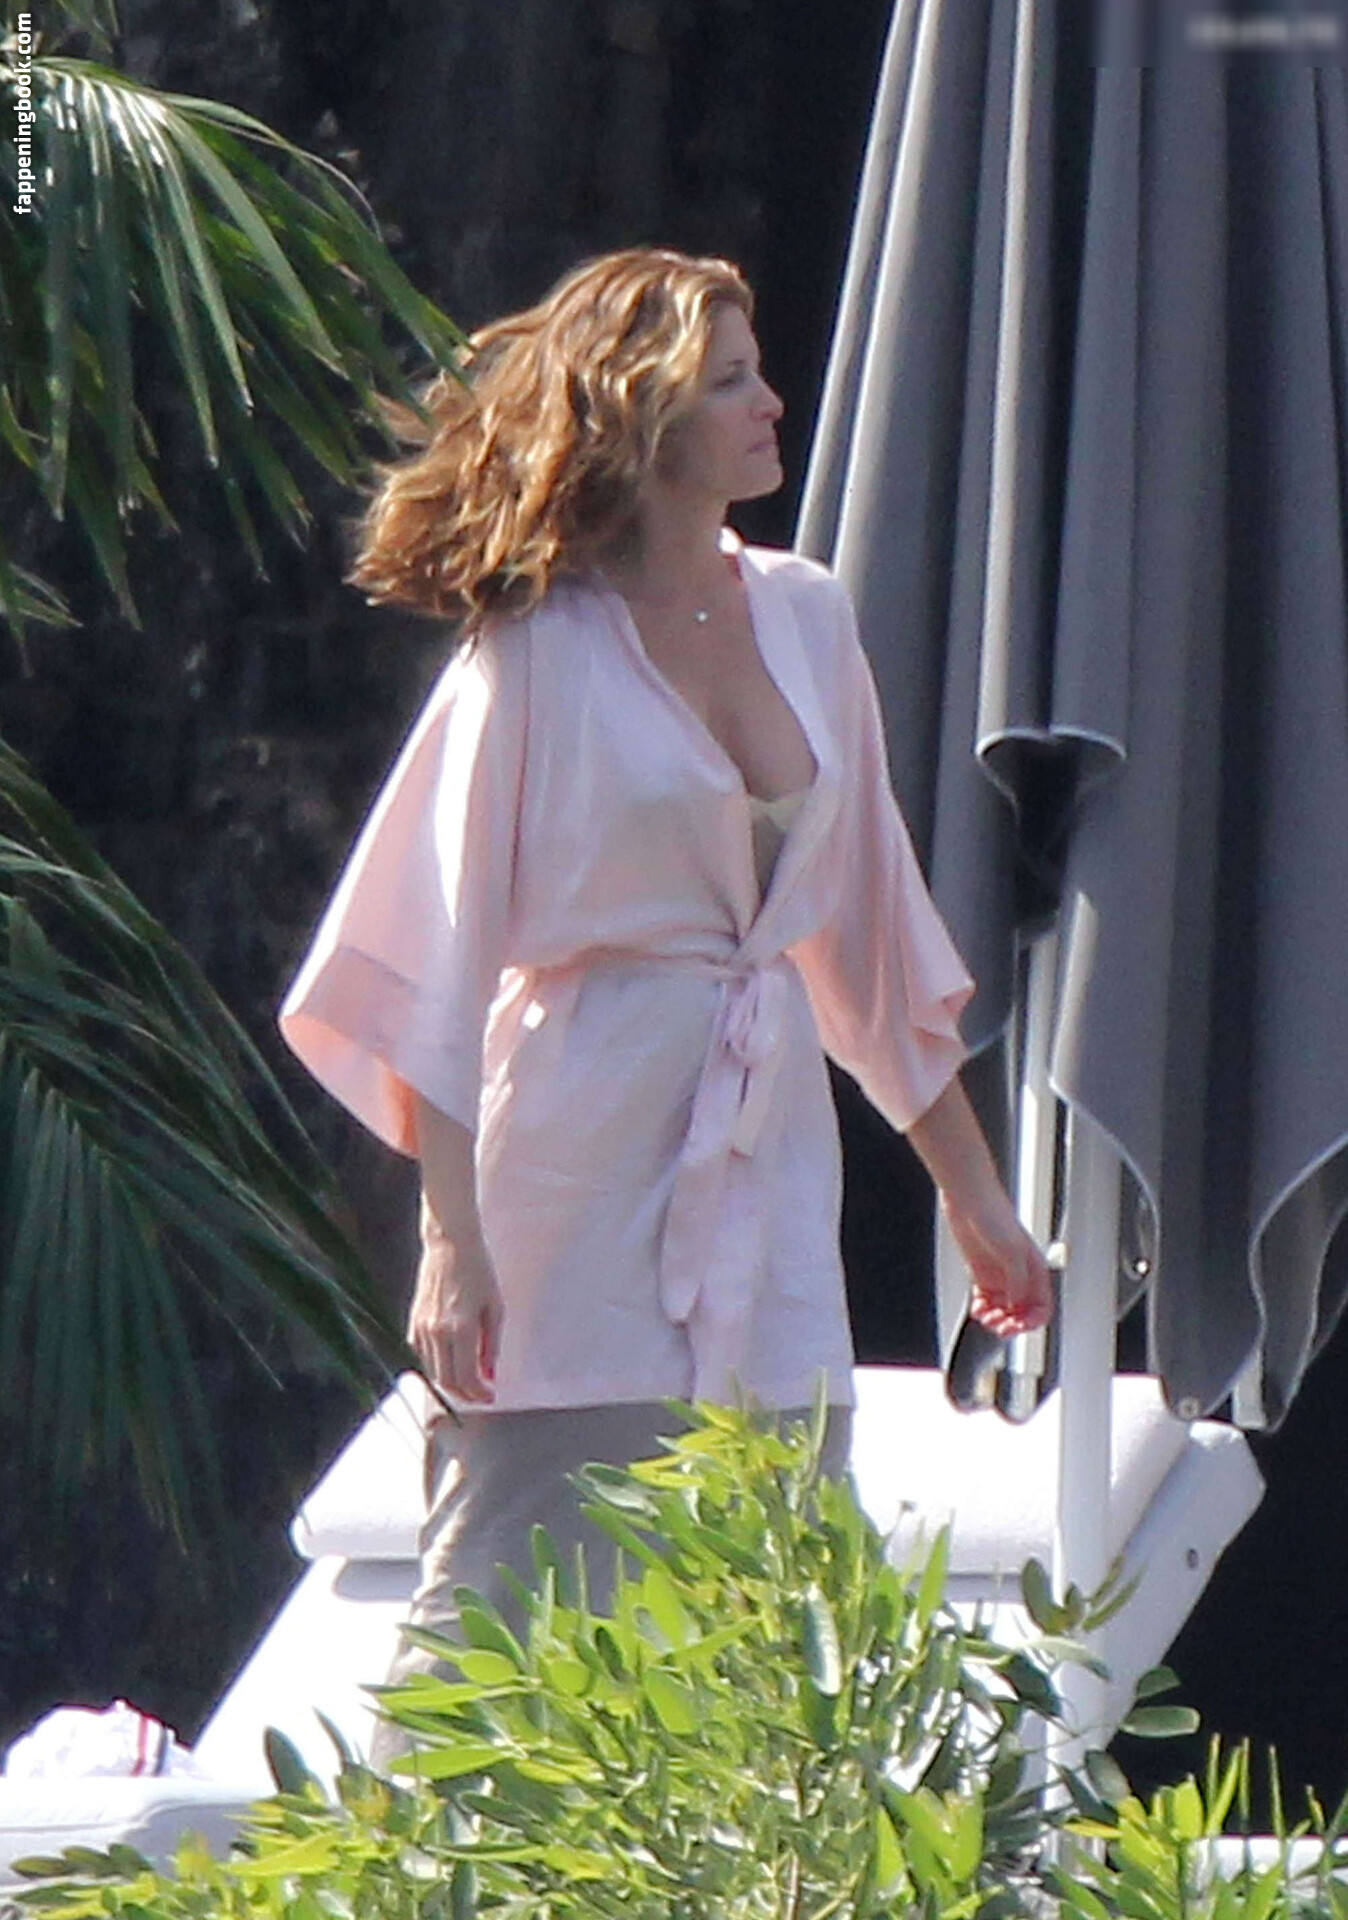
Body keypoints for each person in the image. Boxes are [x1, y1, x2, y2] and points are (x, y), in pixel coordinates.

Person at [279, 247, 1053, 1753]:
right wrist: (454, 1241)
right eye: (731, 382)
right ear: (643, 421)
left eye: (758, 372)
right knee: (503, 1621)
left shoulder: (808, 617)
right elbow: (433, 954)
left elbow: (869, 939)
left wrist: (976, 1200)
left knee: (768, 1634)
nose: (773, 403)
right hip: (572, 1176)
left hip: (768, 1178)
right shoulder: (534, 651)